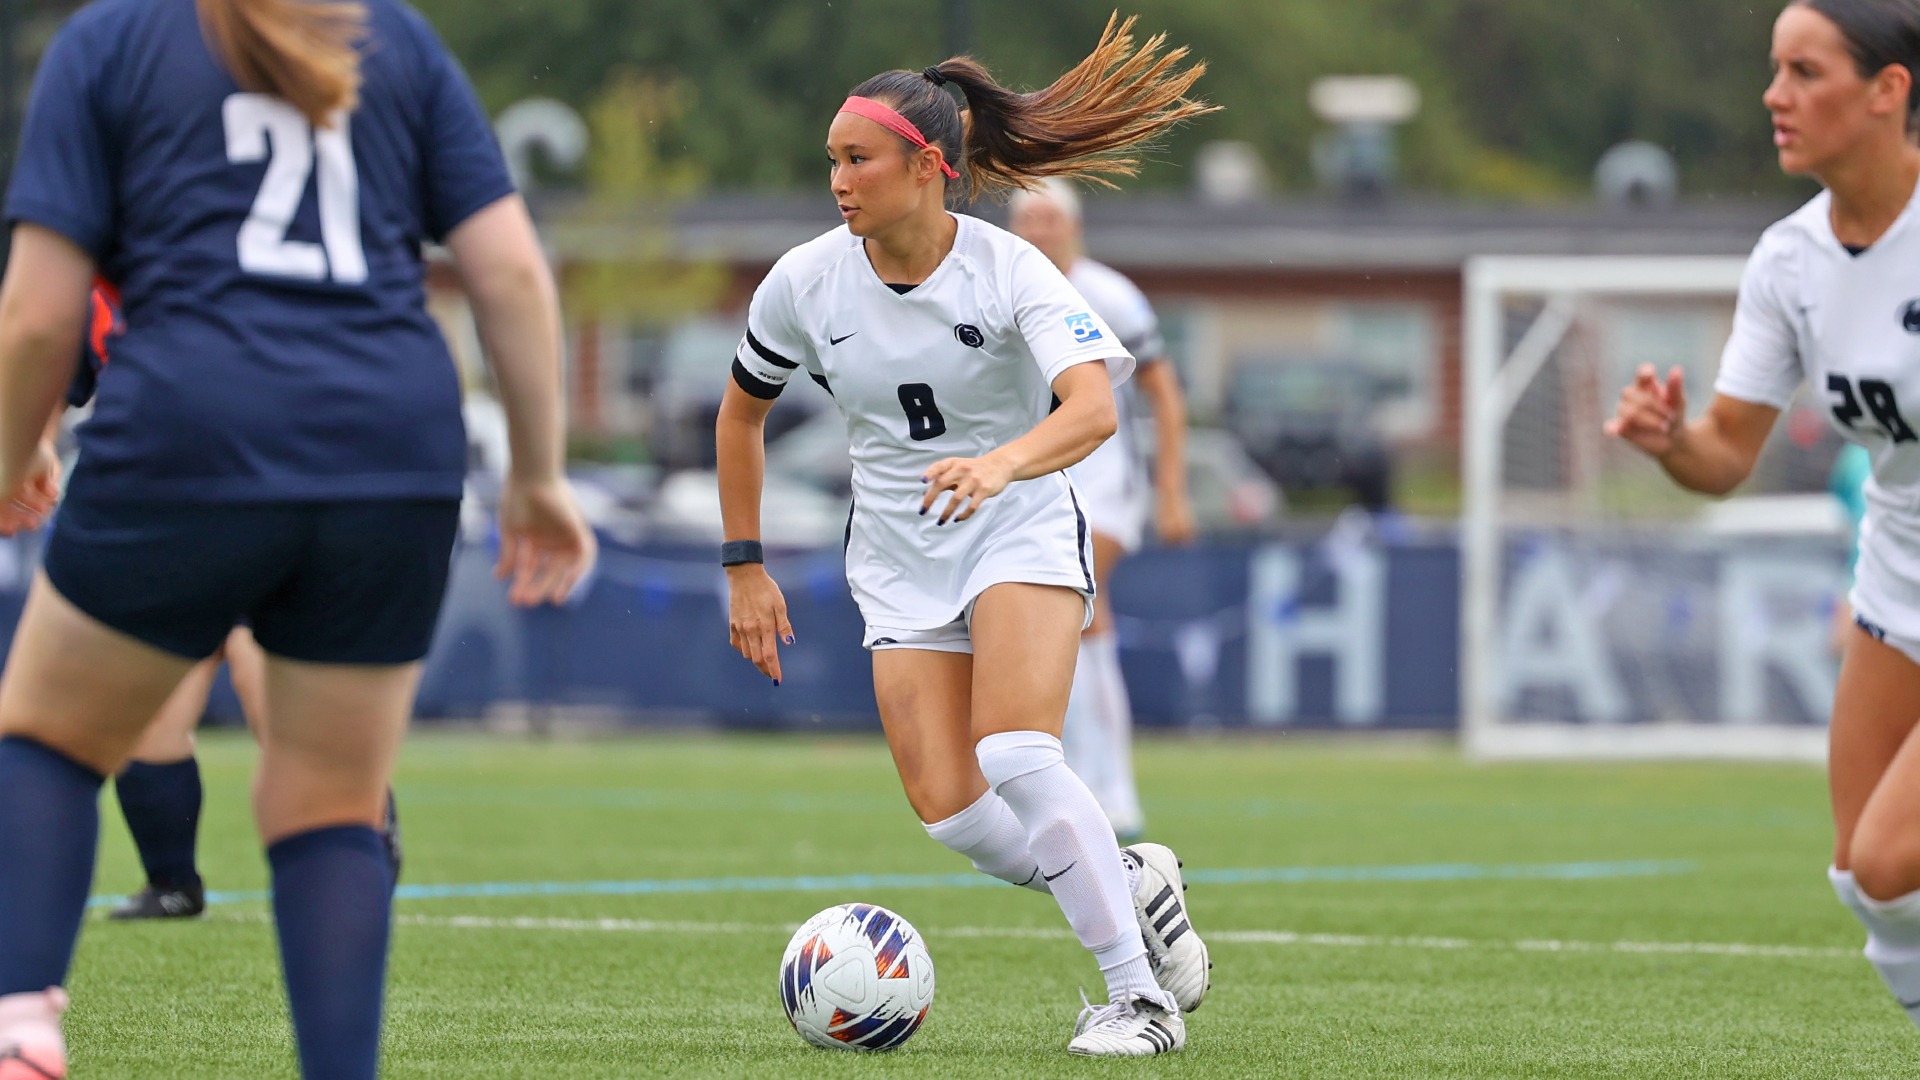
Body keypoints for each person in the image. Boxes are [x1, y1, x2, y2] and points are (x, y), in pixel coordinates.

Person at [0, 0, 595, 1076]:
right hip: (393, 445)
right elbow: (508, 271)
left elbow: (40, 316)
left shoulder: (113, 39)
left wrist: (11, 459)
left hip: (196, 425)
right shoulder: (392, 37)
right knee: (329, 805)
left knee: (45, 738)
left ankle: (19, 1028)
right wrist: (541, 476)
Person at [719, 15, 1214, 1057]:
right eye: (832, 163)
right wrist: (744, 564)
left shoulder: (1011, 271)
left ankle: (1141, 1000)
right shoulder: (804, 280)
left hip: (1019, 525)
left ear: (929, 166)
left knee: (1017, 748)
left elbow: (1091, 408)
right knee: (949, 807)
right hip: (897, 555)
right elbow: (740, 414)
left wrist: (1000, 464)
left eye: (857, 160)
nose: (839, 181)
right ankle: (1126, 884)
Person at [1606, 0, 1920, 1033]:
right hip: (1896, 581)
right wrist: (1670, 440)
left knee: (1889, 859)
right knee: (1866, 886)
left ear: (1889, 90)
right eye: (1773, 69)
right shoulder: (1788, 259)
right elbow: (1726, 456)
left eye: (1804, 70)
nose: (1773, 96)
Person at [1008, 178, 1195, 842]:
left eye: (1051, 217)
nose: (1040, 229)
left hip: (1104, 483)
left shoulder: (1109, 293)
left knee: (1079, 605)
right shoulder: (1000, 286)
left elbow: (1165, 397)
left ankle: (1108, 785)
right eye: (1028, 218)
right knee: (1072, 624)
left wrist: (1172, 490)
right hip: (1032, 484)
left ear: (1074, 226)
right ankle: (1089, 780)